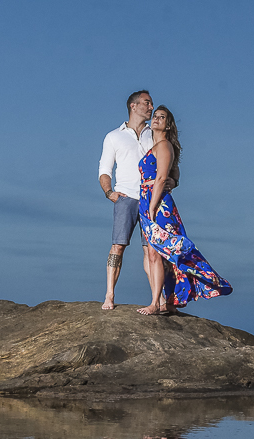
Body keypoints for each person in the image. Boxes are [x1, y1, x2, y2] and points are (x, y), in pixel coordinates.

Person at [137, 106, 232, 316]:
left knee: (159, 252)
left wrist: (152, 206)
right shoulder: (156, 147)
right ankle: (167, 301)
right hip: (147, 201)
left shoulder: (164, 145)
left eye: (162, 117)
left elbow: (161, 178)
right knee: (156, 253)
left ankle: (155, 303)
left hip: (158, 204)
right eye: (155, 116)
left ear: (168, 125)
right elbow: (172, 174)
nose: (156, 119)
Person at [97, 90, 168, 310]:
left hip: (151, 199)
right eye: (147, 103)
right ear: (133, 106)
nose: (151, 107)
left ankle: (159, 299)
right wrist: (109, 193)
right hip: (125, 197)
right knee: (117, 246)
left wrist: (172, 181)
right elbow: (104, 170)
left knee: (152, 250)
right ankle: (109, 295)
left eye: (152, 104)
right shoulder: (113, 136)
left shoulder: (153, 134)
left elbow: (169, 162)